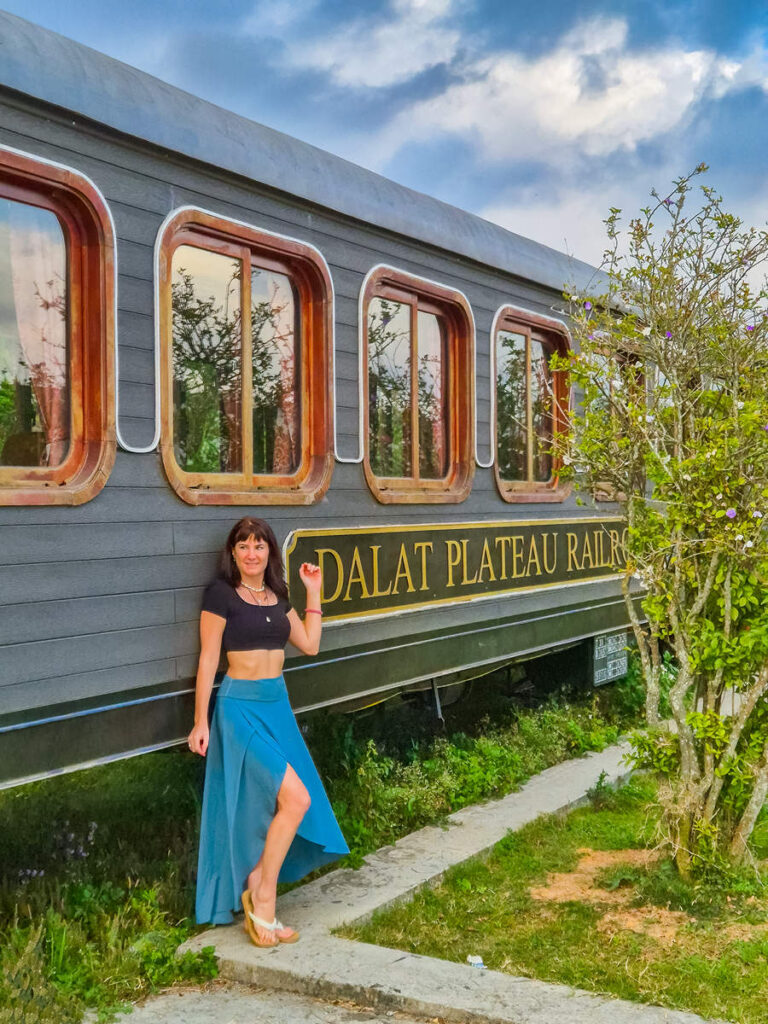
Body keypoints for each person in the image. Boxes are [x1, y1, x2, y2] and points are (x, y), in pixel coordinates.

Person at [188, 516, 349, 947]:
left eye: (259, 546)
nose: (251, 553)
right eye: (243, 545)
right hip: (239, 709)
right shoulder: (220, 594)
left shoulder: (278, 596)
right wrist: (201, 720)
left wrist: (313, 591)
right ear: (233, 552)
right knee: (296, 799)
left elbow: (310, 644)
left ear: (269, 553)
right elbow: (208, 659)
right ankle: (263, 898)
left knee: (293, 801)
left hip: (277, 706)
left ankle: (260, 882)